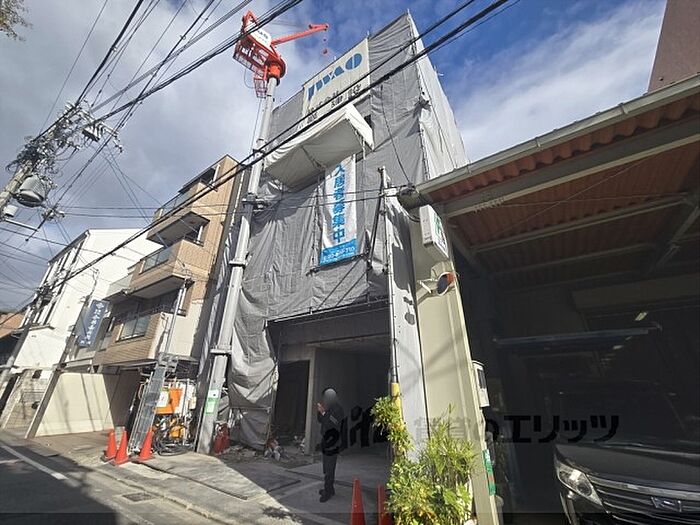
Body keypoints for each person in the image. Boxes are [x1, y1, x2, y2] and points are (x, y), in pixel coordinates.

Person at [316, 387, 345, 502]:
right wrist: (320, 412)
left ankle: (328, 491)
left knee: (329, 467)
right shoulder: (328, 408)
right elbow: (321, 420)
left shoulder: (338, 409)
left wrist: (323, 413)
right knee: (326, 466)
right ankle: (329, 489)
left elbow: (333, 423)